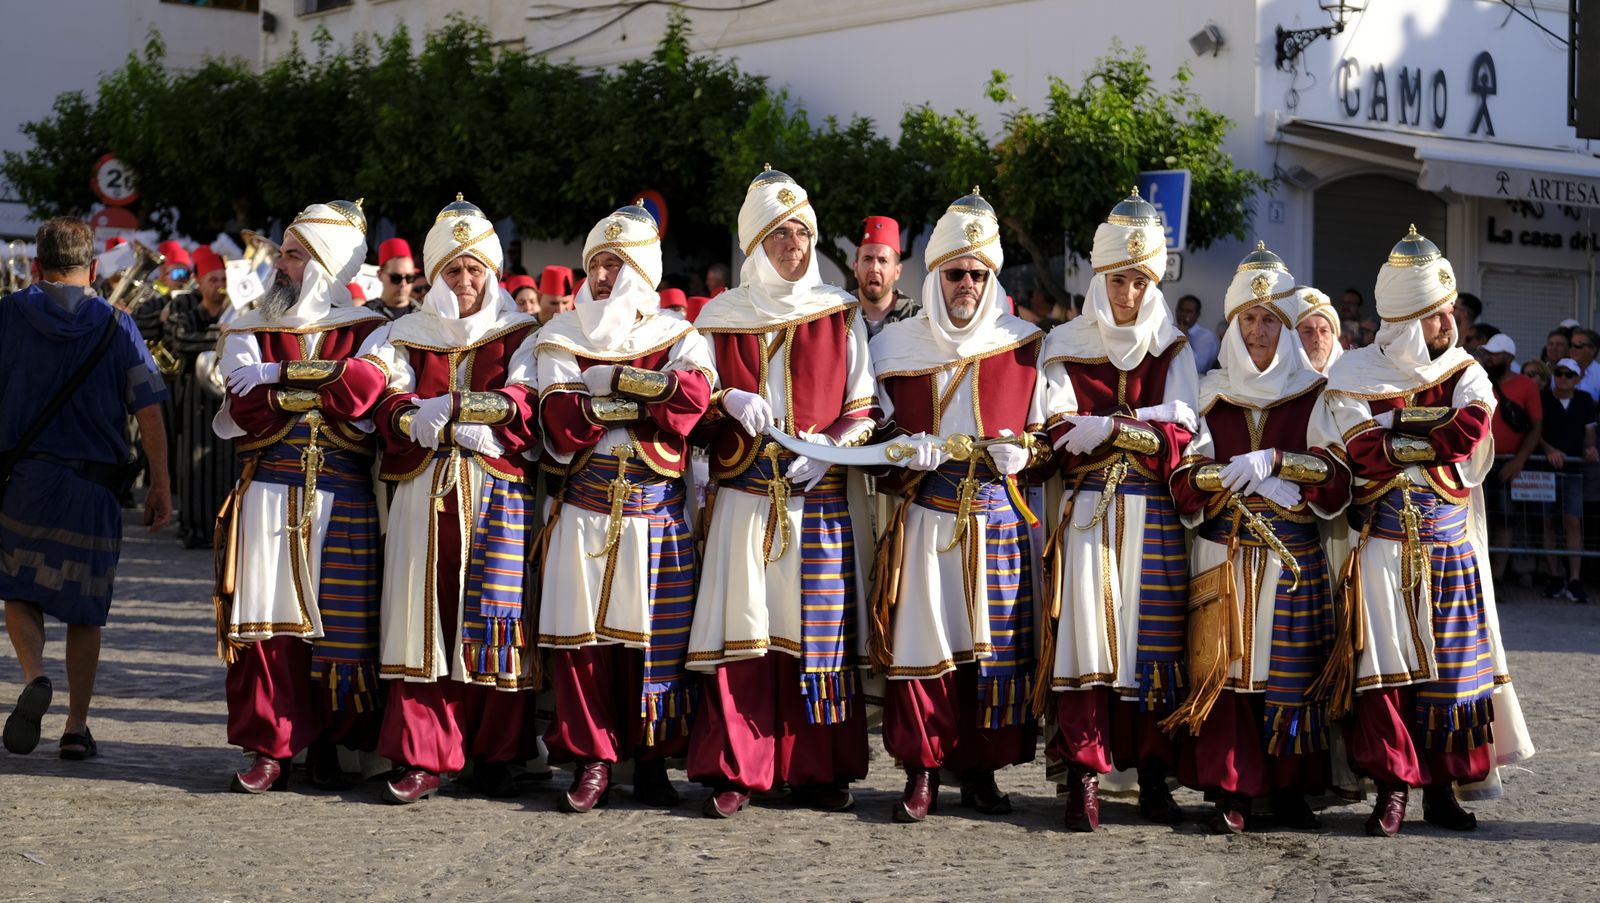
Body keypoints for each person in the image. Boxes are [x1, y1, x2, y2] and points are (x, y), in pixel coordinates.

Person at [1311, 225, 1535, 837]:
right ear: (1408, 320)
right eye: (1436, 316)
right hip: (1383, 545)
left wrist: (1395, 425)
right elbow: (1360, 450)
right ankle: (1392, 789)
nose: (1449, 324)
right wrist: (1411, 433)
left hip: (1450, 545)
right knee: (1385, 673)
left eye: (1449, 312)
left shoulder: (1467, 368)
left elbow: (1468, 431)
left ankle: (1443, 788)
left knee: (1454, 676)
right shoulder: (1353, 370)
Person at [686, 166, 877, 818]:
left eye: (801, 232)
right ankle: (740, 766)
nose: (793, 245)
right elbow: (690, 404)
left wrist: (828, 456)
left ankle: (815, 766)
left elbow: (862, 407)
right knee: (748, 635)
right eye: (779, 234)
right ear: (755, 242)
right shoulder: (718, 318)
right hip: (744, 495)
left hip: (815, 501)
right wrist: (723, 399)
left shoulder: (839, 312)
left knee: (812, 638)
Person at [867, 190, 1044, 822]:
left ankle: (979, 771)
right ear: (934, 276)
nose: (965, 283)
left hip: (994, 518)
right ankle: (921, 771)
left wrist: (1026, 451)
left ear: (992, 278)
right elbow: (867, 431)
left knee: (989, 652)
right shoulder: (894, 348)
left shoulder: (1024, 345)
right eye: (954, 273)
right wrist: (899, 448)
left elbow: (1049, 435)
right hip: (926, 515)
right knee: (925, 647)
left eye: (977, 274)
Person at [533, 203, 715, 812]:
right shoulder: (558, 336)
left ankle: (652, 758)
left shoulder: (679, 335)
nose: (605, 275)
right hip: (585, 506)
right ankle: (592, 760)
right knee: (584, 646)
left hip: (655, 510)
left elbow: (691, 401)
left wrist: (616, 385)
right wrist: (646, 395)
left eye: (618, 263)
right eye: (597, 264)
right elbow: (560, 416)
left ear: (642, 271)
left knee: (654, 644)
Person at [364, 195, 542, 804]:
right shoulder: (404, 332)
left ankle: (495, 753)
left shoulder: (520, 333)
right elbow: (386, 396)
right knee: (424, 621)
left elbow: (526, 398)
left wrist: (469, 415)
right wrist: (414, 419)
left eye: (475, 270)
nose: (464, 282)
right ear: (435, 274)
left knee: (495, 620)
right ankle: (423, 753)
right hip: (426, 489)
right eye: (452, 270)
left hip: (497, 491)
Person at [1167, 243, 1350, 833]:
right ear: (1233, 323)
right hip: (1226, 552)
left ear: (1287, 325)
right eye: (1249, 318)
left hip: (1293, 555)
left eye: (1270, 318)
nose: (1259, 329)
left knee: (1288, 671)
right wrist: (1227, 476)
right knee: (1228, 670)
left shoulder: (1315, 393)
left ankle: (1291, 789)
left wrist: (1280, 465)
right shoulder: (1207, 390)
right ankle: (1231, 787)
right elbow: (1182, 477)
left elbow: (1339, 472)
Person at [1035, 188, 1201, 831]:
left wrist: (1108, 428)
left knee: (1152, 650)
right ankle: (1083, 775)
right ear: (1099, 279)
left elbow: (1187, 435)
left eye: (1137, 280)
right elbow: (1049, 431)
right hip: (1089, 516)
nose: (1127, 292)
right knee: (1087, 643)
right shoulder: (1065, 342)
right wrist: (1133, 427)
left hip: (1153, 512)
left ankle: (1155, 773)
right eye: (1116, 279)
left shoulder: (1174, 349)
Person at [211, 199, 389, 793]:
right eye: (283, 252)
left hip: (343, 493)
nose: (279, 264)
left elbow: (364, 393)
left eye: (294, 254)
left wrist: (280, 378)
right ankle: (271, 746)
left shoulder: (372, 328)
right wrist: (321, 388)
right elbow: (243, 406)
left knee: (340, 630)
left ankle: (330, 745)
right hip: (270, 490)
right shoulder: (248, 323)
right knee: (268, 627)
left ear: (326, 265)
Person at [1, 216, 172, 761]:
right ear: (93, 268)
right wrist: (161, 484)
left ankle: (35, 674)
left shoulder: (6, 316)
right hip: (94, 487)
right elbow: (149, 409)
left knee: (19, 591)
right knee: (85, 610)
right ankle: (76, 727)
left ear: (35, 266)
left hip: (23, 482)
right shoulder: (117, 325)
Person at [164, 246, 238, 548]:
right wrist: (222, 335)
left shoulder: (237, 312)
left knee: (226, 465)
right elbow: (178, 339)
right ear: (198, 280)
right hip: (194, 401)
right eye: (212, 278)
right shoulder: (185, 310)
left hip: (228, 401)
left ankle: (226, 528)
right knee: (194, 466)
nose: (219, 284)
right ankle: (196, 529)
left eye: (223, 277)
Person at [1479, 334, 1543, 586]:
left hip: (1507, 463)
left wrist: (1519, 461)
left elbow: (1536, 426)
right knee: (1480, 520)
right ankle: (1480, 578)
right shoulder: (1479, 380)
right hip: (1478, 462)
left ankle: (1497, 578)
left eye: (1494, 353)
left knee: (1505, 519)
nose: (1488, 357)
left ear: (1508, 357)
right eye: (1487, 353)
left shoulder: (1526, 385)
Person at [1538, 356, 1597, 603]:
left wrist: (1591, 448)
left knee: (1573, 522)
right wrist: (1549, 450)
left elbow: (1590, 432)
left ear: (1578, 378)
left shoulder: (1584, 401)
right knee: (1548, 523)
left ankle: (1574, 578)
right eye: (1559, 373)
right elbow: (1534, 432)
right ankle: (1555, 576)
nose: (1563, 378)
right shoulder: (1542, 398)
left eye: (1569, 374)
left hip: (1573, 471)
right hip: (1543, 470)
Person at [853, 215, 917, 338]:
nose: (874, 268)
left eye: (883, 260)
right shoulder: (839, 315)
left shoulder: (916, 318)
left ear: (897, 271)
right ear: (855, 268)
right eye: (867, 259)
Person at [1292, 286, 1342, 374]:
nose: (1318, 339)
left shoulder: (1353, 384)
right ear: (1293, 337)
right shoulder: (1275, 384)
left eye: (1324, 331)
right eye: (1308, 332)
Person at [373, 237, 420, 321]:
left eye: (409, 278)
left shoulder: (424, 316)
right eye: (396, 278)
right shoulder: (364, 315)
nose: (403, 284)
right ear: (380, 275)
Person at [1174, 294, 1220, 373]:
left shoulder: (1207, 336)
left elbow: (1199, 367)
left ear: (1197, 315)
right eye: (1181, 310)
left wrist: (1183, 337)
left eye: (1188, 311)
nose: (1183, 314)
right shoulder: (1170, 331)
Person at [1571, 328, 1600, 402]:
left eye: (1578, 345)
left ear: (1593, 350)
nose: (1573, 349)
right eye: (1571, 345)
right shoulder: (1561, 371)